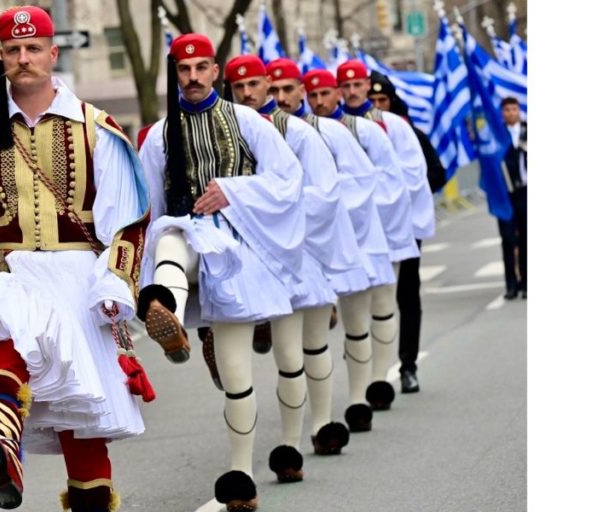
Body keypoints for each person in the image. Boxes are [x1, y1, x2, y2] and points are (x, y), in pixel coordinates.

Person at [0, 6, 152, 510]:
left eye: (33, 48)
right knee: (4, 347)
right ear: (1, 58)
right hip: (12, 270)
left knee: (78, 407)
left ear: (52, 53)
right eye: (13, 51)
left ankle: (87, 498)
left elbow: (126, 218)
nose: (23, 59)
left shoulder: (95, 128)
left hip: (78, 274)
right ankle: (2, 457)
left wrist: (113, 284)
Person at [139, 34, 308, 510]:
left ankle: (241, 477)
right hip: (186, 233)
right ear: (176, 75)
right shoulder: (158, 135)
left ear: (216, 72)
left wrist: (234, 191)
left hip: (237, 247)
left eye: (200, 69)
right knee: (170, 238)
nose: (191, 78)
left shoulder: (248, 122)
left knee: (237, 375)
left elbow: (287, 180)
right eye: (183, 70)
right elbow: (148, 205)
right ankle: (163, 307)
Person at [226, 55, 359, 464]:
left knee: (312, 345)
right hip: (258, 258)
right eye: (238, 87)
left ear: (268, 83)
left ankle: (320, 425)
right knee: (284, 353)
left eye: (256, 85)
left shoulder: (296, 130)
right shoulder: (227, 133)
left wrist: (275, 212)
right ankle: (290, 442)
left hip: (303, 251)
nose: (248, 94)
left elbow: (325, 192)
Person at [304, 68, 419, 430]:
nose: (321, 101)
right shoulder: (305, 133)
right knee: (348, 315)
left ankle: (378, 378)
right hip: (329, 234)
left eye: (328, 93)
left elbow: (392, 180)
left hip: (373, 230)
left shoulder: (373, 129)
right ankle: (357, 390)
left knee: (380, 306)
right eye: (314, 94)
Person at [338, 60, 434, 403]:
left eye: (357, 85)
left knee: (396, 300)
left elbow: (409, 174)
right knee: (356, 304)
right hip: (351, 232)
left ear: (366, 85)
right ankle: (365, 371)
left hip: (391, 227)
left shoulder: (393, 126)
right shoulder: (331, 126)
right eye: (344, 86)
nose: (351, 92)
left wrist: (368, 201)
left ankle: (403, 367)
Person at [368, 70, 447, 393]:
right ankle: (373, 370)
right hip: (369, 231)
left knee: (407, 297)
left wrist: (403, 196)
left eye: (382, 100)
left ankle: (408, 365)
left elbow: (437, 174)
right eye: (371, 101)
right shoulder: (352, 134)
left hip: (405, 229)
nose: (376, 107)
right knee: (371, 301)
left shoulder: (408, 134)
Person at [499, 96, 527, 300]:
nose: (511, 113)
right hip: (504, 193)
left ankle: (526, 281)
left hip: (526, 191)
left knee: (526, 237)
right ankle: (511, 283)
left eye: (514, 109)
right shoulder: (496, 134)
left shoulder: (528, 131)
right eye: (507, 110)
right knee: (508, 239)